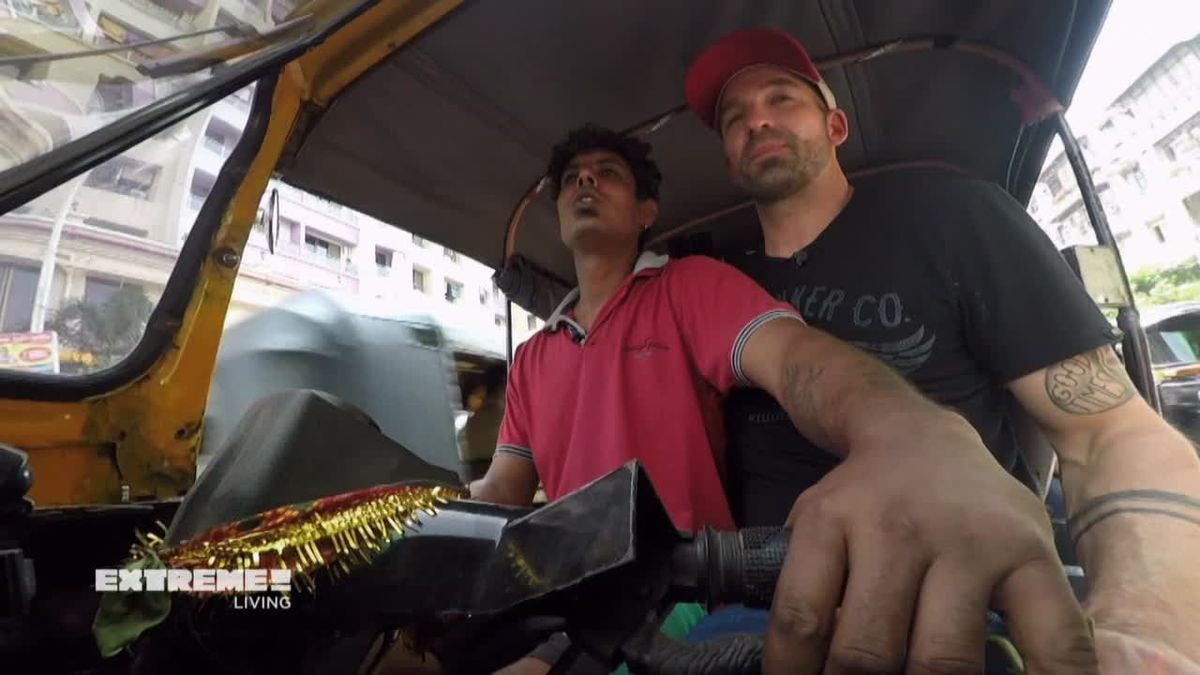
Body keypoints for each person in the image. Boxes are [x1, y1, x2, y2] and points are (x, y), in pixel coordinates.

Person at [471, 124, 1096, 673]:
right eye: (573, 180)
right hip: (558, 598)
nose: (586, 184)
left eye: (607, 175)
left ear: (645, 211)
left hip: (679, 594)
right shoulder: (532, 356)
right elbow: (502, 491)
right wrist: (402, 518)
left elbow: (794, 357)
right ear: (558, 213)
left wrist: (908, 430)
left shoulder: (686, 287)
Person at [684, 26, 1200, 671]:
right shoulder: (713, 287)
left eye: (782, 99)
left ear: (836, 125)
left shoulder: (952, 215)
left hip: (966, 594)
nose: (757, 120)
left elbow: (1108, 434)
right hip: (757, 609)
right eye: (735, 118)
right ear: (730, 158)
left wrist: (1142, 629)